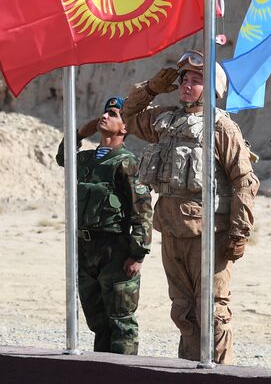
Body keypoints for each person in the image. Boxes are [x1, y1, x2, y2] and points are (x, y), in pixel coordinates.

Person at [124, 50, 259, 364]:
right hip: (171, 232)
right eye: (184, 79)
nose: (187, 85)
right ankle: (189, 377)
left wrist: (239, 233)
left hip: (209, 235)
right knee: (183, 311)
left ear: (212, 88)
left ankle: (221, 383)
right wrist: (153, 88)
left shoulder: (221, 127)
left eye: (196, 81)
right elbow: (128, 118)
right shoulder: (165, 120)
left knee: (213, 311)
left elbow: (243, 181)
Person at [56, 96, 153, 354]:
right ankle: (102, 376)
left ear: (125, 128)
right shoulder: (86, 160)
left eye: (113, 114)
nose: (106, 116)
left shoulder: (127, 162)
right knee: (98, 321)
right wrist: (80, 132)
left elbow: (142, 210)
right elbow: (63, 158)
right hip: (86, 249)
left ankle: (125, 380)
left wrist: (137, 254)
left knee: (121, 322)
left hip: (115, 251)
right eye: (105, 112)